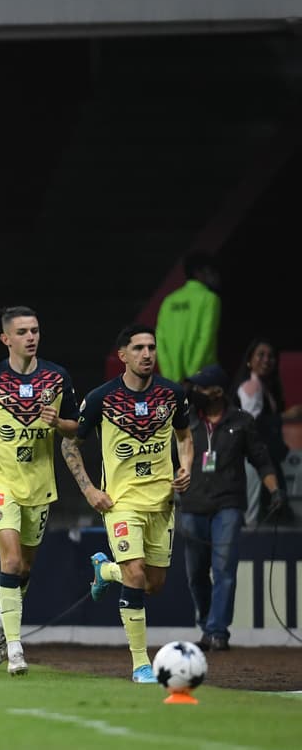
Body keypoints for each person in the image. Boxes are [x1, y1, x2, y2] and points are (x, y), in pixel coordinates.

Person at [60, 324, 193, 683]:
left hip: (161, 503)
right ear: (122, 355)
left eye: (151, 347)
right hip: (120, 503)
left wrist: (185, 467)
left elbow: (184, 436)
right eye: (138, 348)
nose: (147, 354)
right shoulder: (101, 398)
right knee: (134, 574)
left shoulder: (172, 394)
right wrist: (89, 490)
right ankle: (141, 664)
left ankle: (104, 570)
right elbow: (69, 443)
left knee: (153, 584)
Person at [0, 306, 78, 676]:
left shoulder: (57, 377)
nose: (31, 337)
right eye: (23, 332)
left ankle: (2, 620)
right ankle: (15, 648)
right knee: (10, 562)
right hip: (1, 479)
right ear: (6, 338)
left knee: (24, 568)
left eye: (35, 331)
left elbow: (76, 427)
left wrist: (59, 422)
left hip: (39, 483)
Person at [178, 364, 284, 651]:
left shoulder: (242, 421)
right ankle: (207, 625)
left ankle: (217, 631)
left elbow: (261, 459)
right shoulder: (185, 420)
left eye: (201, 388)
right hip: (192, 504)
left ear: (217, 392)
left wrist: (274, 491)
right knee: (196, 574)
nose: (195, 392)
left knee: (224, 568)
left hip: (228, 505)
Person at [232, 338, 300, 520]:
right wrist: (285, 417)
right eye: (260, 355)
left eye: (271, 356)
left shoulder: (266, 387)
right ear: (249, 360)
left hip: (265, 459)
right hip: (252, 460)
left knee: (274, 508)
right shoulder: (251, 386)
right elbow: (251, 423)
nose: (266, 360)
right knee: (252, 513)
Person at [155, 251, 221, 383]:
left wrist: (170, 375)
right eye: (211, 271)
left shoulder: (169, 301)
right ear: (199, 272)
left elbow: (159, 341)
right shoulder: (210, 299)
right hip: (202, 377)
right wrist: (191, 375)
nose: (215, 276)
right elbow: (206, 338)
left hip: (172, 378)